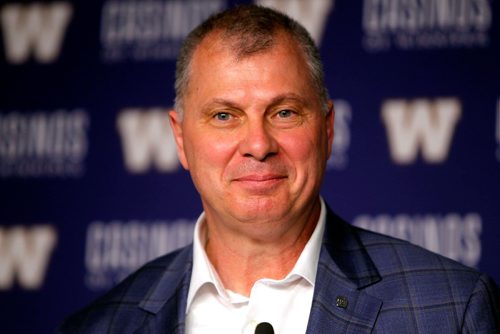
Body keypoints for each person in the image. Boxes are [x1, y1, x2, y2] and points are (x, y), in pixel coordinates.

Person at [57, 4, 500, 333]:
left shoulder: (451, 308)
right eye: (225, 116)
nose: (257, 145)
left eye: (284, 112)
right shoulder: (100, 326)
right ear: (180, 140)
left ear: (327, 131)